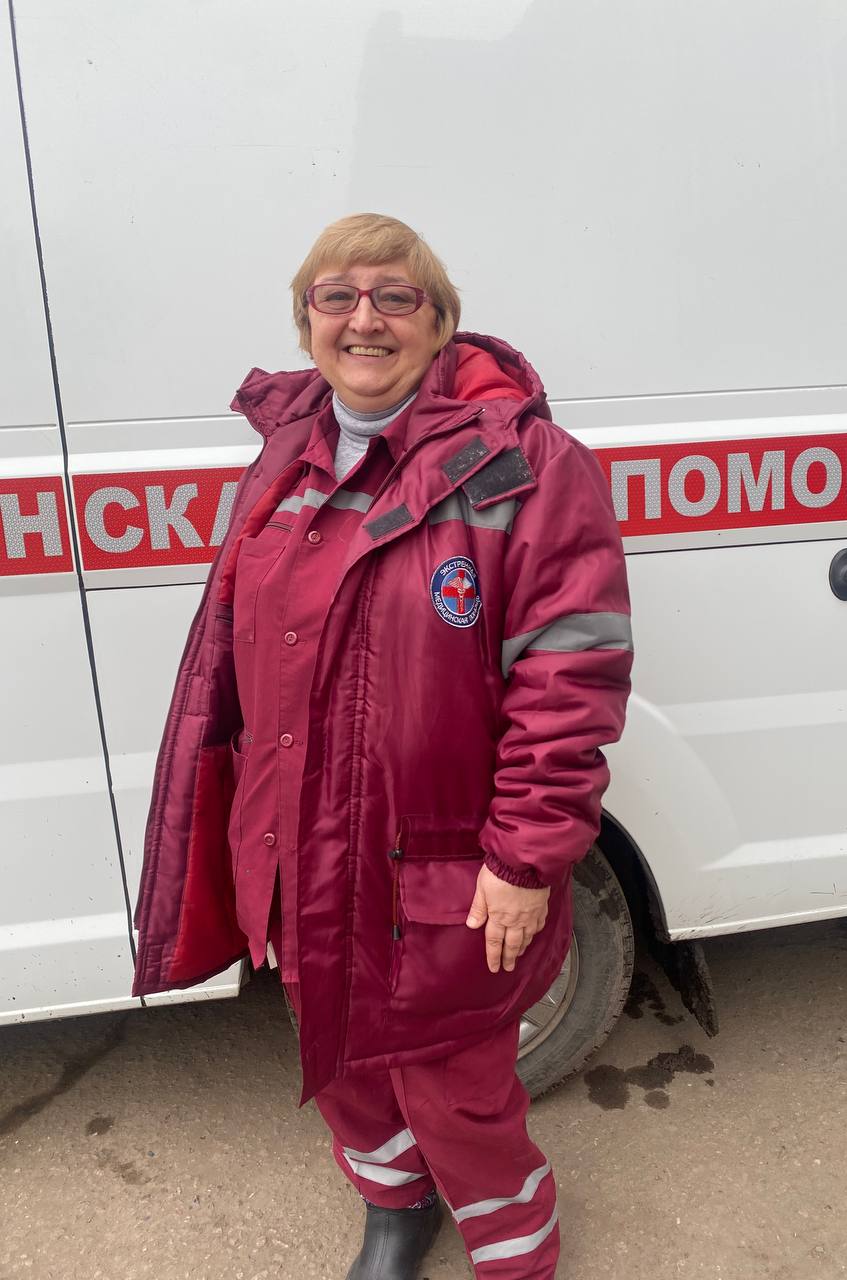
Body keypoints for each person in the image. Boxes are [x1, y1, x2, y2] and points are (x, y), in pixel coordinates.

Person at [132, 213, 632, 1279]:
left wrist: (525, 861)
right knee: (345, 1068)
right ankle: (397, 1206)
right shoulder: (286, 457)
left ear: (439, 323)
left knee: (458, 1094)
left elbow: (570, 680)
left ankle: (516, 1248)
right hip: (294, 854)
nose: (364, 318)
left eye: (395, 296)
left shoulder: (526, 466)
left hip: (439, 871)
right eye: (337, 296)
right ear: (307, 322)